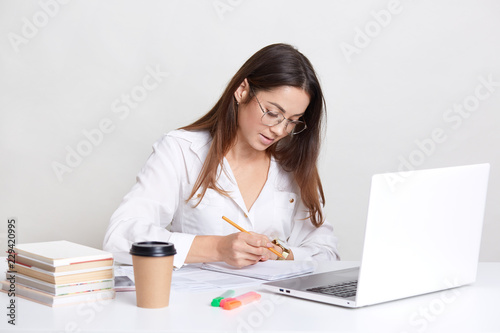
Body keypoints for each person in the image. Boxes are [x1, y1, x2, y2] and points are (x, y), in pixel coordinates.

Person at [103, 43, 340, 268]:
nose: (280, 130)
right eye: (272, 112)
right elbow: (120, 237)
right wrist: (217, 247)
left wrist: (281, 254)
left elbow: (327, 252)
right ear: (242, 90)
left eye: (292, 121)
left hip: (271, 306)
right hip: (197, 306)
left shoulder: (291, 167)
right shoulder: (182, 150)